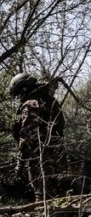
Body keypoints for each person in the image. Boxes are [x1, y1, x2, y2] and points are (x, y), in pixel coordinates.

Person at [8, 72, 66, 201]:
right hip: (58, 153)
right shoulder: (49, 100)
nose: (19, 97)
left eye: (19, 93)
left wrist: (20, 164)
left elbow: (28, 136)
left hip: (41, 158)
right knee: (59, 194)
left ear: (24, 89)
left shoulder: (30, 104)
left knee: (43, 195)